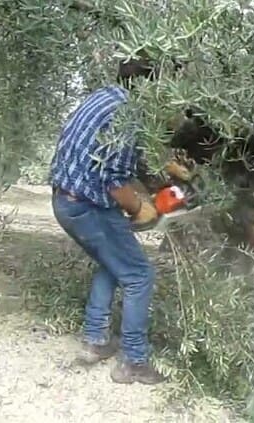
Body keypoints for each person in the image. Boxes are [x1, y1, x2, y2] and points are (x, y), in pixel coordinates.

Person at [48, 54, 188, 384]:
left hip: (65, 200)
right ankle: (134, 362)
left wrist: (168, 168)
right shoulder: (130, 114)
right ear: (151, 84)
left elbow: (119, 153)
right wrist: (140, 208)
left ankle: (96, 341)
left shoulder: (105, 96)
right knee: (139, 274)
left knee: (114, 264)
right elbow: (114, 180)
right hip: (88, 206)